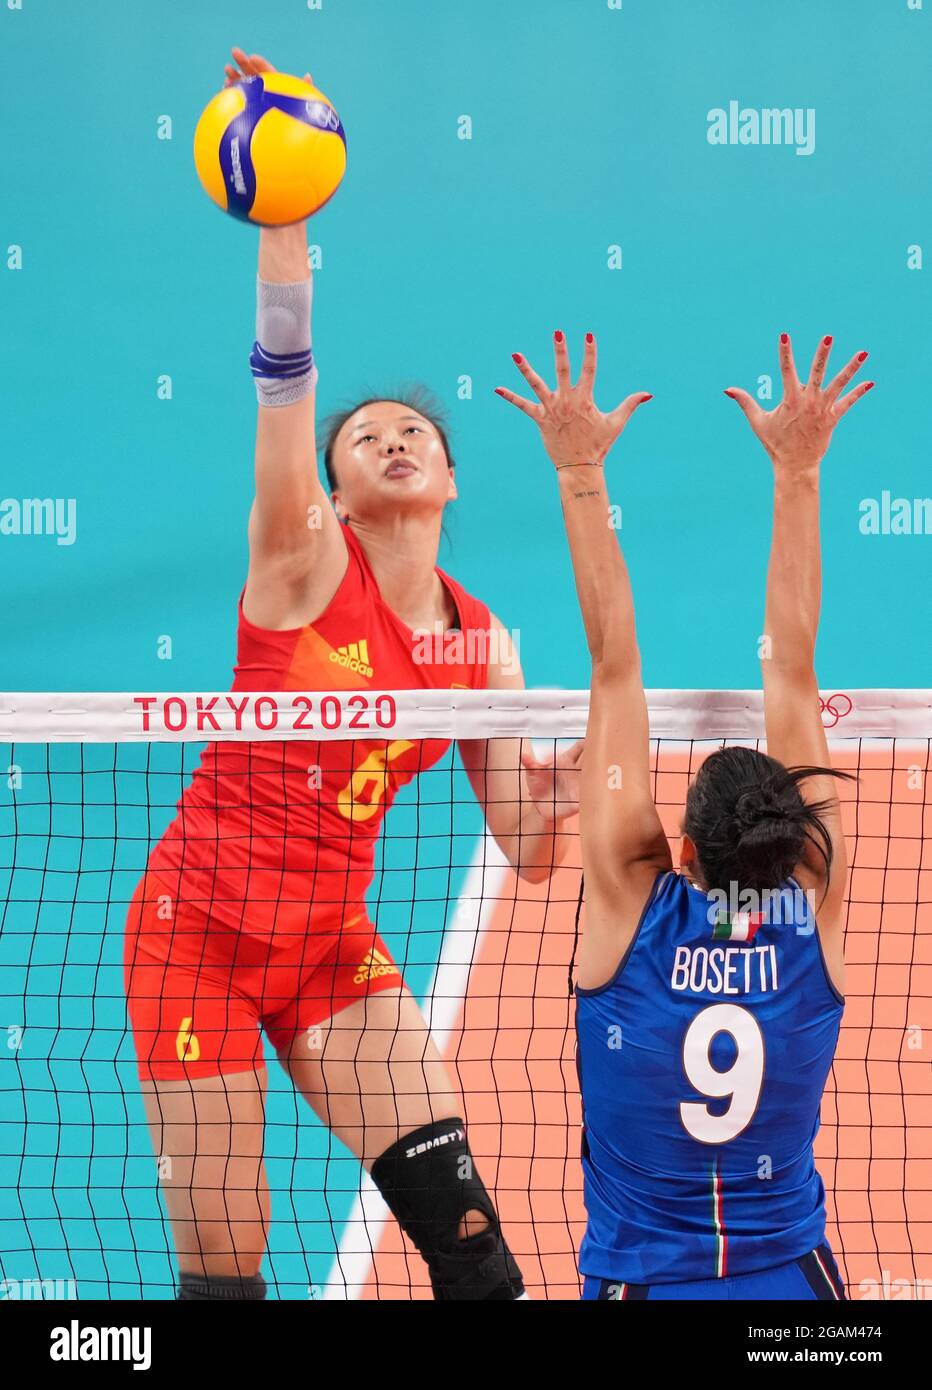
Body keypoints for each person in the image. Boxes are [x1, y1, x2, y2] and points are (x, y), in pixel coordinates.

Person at [124, 46, 581, 1303]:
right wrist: (285, 224)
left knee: (477, 1259)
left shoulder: (483, 643)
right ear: (330, 493)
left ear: (448, 479)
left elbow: (529, 848)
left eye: (413, 432)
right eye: (363, 438)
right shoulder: (300, 566)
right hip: (196, 935)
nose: (390, 438)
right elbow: (284, 389)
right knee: (228, 1279)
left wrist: (572, 784)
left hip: (331, 946)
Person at [496, 328, 872, 1300]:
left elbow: (612, 661)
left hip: (644, 1283)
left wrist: (579, 471)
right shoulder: (812, 900)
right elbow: (793, 668)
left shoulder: (632, 903)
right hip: (790, 1288)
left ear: (682, 845)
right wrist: (800, 472)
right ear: (794, 838)